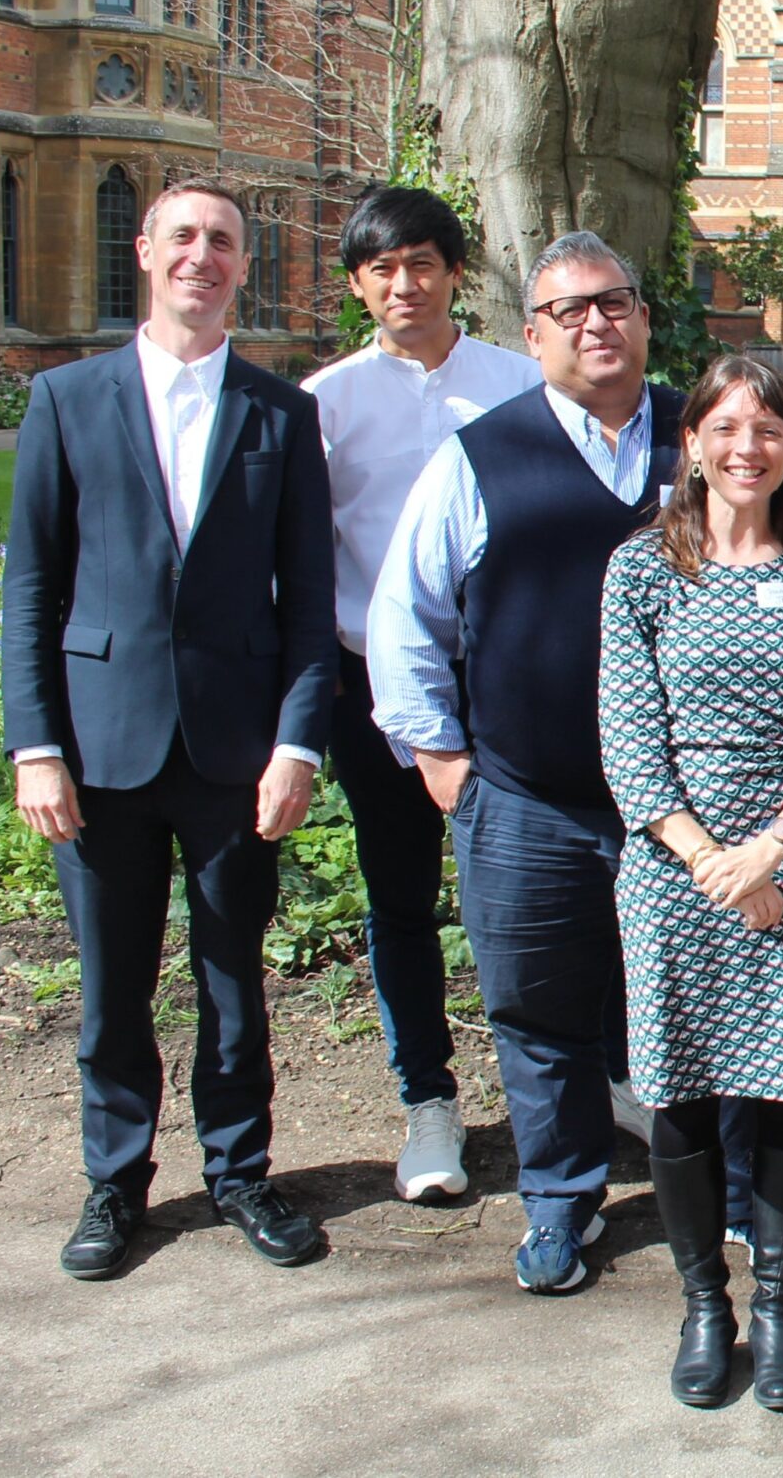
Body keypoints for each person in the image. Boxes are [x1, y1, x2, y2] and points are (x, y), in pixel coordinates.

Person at [2, 176, 339, 1278]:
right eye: (183, 236)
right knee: (112, 987)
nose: (203, 255)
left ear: (244, 264)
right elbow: (32, 590)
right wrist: (35, 746)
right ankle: (116, 1183)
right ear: (145, 251)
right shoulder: (67, 400)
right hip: (100, 754)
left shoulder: (283, 415)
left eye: (225, 242)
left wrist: (298, 744)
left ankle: (241, 1172)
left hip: (239, 757)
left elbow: (309, 598)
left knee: (234, 983)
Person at [366, 231, 680, 1296]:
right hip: (530, 799)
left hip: (687, 807)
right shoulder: (480, 454)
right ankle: (561, 1200)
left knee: (695, 1001)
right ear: (532, 334)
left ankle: (721, 1191)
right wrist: (443, 762)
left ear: (643, 318)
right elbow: (406, 617)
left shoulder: (707, 437)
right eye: (570, 310)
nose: (597, 323)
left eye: (616, 302)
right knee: (539, 1012)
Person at [599, 356, 783, 1411]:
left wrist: (771, 850)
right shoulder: (640, 570)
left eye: (767, 428)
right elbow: (628, 739)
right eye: (724, 426)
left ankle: (775, 1307)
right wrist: (713, 858)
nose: (745, 446)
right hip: (675, 871)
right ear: (692, 444)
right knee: (681, 1096)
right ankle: (704, 1305)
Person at [303, 187, 539, 1203]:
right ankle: (428, 1103)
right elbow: (303, 558)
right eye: (380, 268)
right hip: (377, 687)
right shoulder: (325, 402)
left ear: (454, 271)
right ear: (359, 283)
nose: (404, 285)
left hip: (508, 679)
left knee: (541, 894)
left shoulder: (520, 384)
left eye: (422, 263)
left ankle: (587, 1074)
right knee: (400, 897)